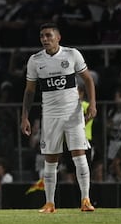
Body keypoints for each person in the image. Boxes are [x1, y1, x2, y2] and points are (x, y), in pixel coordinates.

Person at [21, 22, 97, 213]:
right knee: (50, 159)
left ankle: (85, 200)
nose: (45, 39)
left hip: (72, 113)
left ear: (58, 37)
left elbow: (88, 79)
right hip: (50, 115)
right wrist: (25, 116)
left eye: (48, 35)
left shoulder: (72, 54)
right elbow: (29, 91)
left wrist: (93, 104)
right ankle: (49, 203)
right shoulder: (35, 60)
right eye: (42, 36)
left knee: (79, 156)